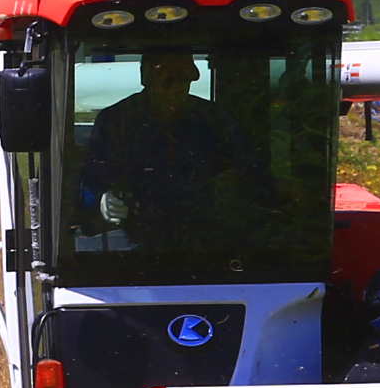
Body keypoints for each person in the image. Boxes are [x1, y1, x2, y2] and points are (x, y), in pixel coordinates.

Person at [77, 48, 272, 245]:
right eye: (167, 81)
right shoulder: (116, 121)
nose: (176, 89)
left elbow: (249, 171)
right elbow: (89, 180)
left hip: (208, 238)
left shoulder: (213, 119)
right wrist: (101, 199)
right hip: (135, 238)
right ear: (147, 78)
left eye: (184, 80)